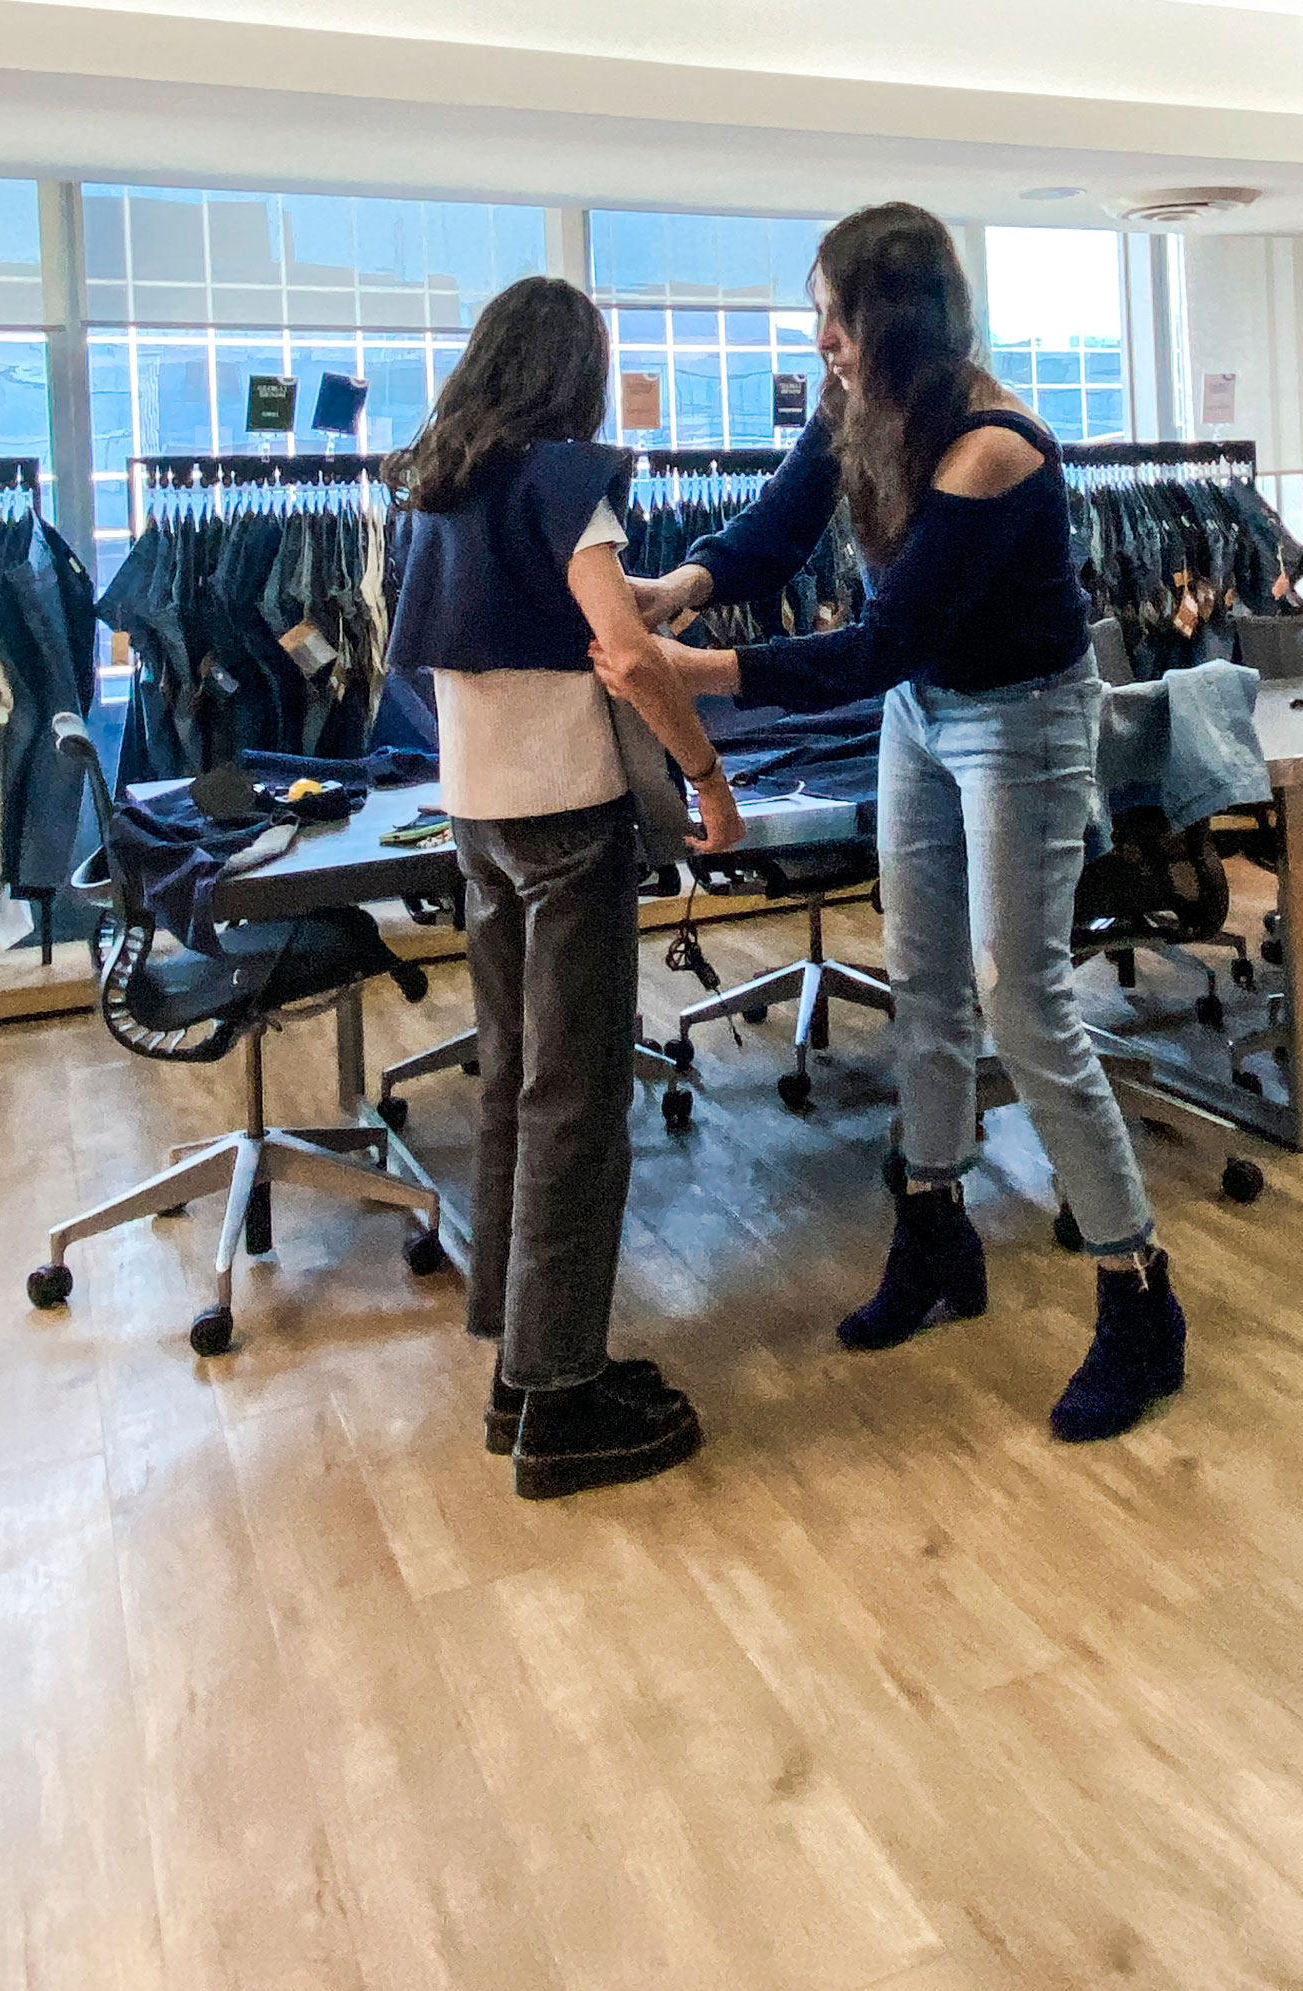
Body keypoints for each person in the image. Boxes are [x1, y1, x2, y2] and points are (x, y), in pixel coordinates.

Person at [595, 204, 1185, 1444]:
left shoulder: (994, 450)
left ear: (899, 319)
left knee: (1022, 998)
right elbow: (778, 529)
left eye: (838, 316)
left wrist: (691, 669)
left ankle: (1140, 1295)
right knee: (921, 978)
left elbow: (879, 644)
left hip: (1022, 717)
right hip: (925, 710)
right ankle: (933, 1228)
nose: (823, 340)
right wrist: (680, 586)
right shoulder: (858, 405)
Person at [384, 276, 745, 1499]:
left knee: (515, 1083)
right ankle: (562, 1401)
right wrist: (706, 778)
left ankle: (519, 1368)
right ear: (572, 372)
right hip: (567, 821)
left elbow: (551, 607)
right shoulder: (565, 477)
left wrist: (665, 584)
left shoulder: (442, 482)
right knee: (578, 1102)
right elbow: (624, 656)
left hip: (477, 818)